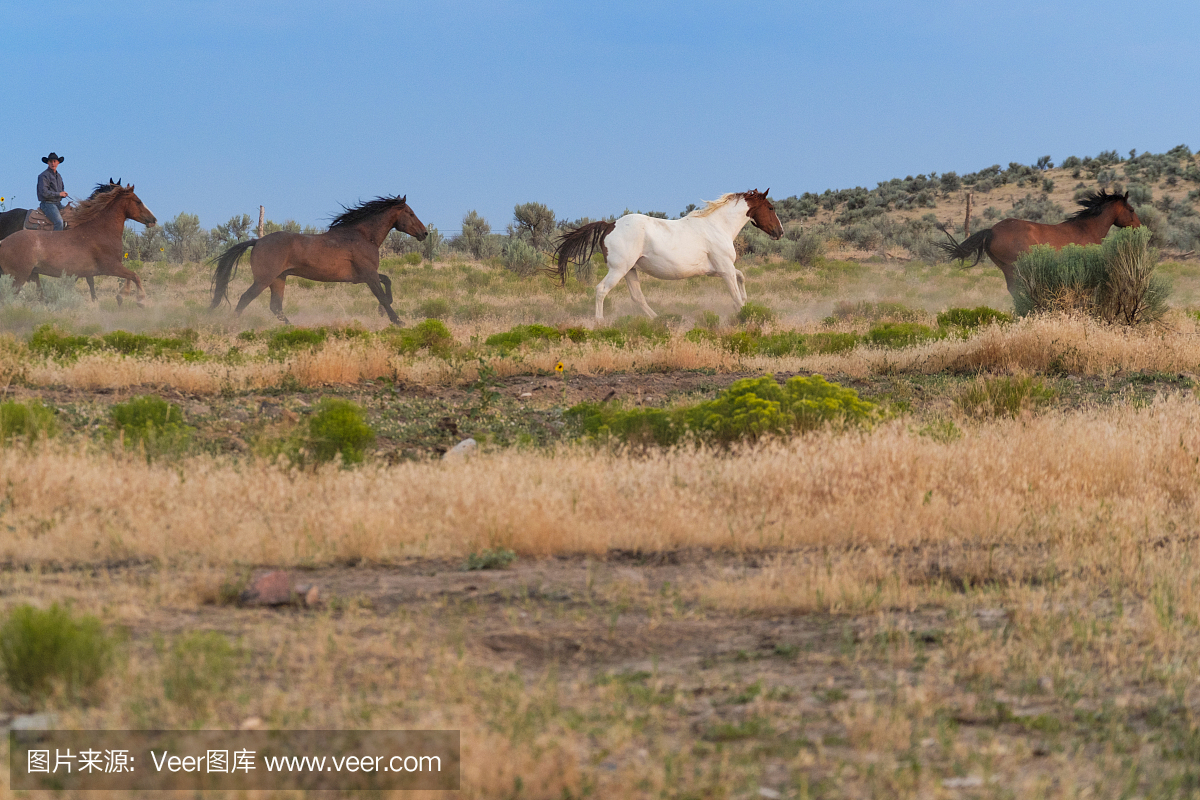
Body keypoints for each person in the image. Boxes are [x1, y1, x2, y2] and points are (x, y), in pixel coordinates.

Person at [37, 152, 68, 231]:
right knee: (59, 222)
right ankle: (56, 241)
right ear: (48, 163)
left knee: (72, 215)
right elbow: (44, 193)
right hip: (47, 204)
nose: (53, 163)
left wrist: (63, 194)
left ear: (58, 162)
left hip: (57, 204)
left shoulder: (59, 176)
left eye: (54, 161)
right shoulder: (43, 176)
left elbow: (61, 189)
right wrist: (59, 194)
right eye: (51, 161)